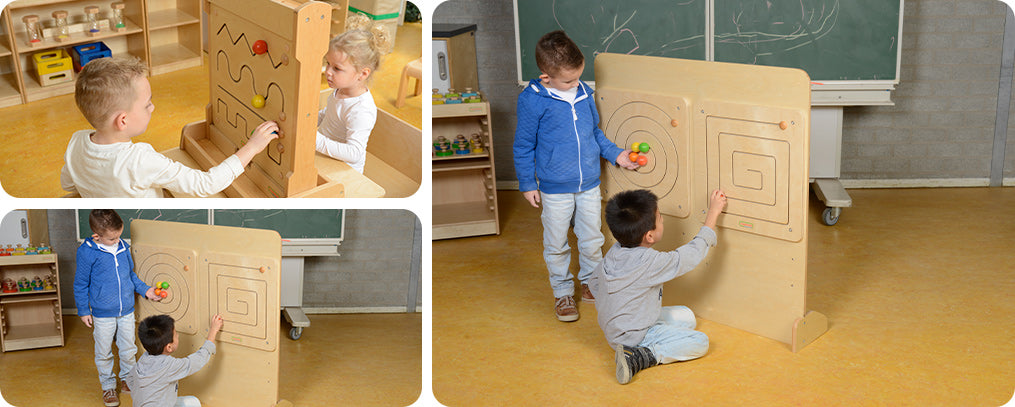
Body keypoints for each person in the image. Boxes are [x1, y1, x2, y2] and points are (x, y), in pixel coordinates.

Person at [513, 30, 639, 322]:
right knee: (557, 242)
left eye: (578, 77)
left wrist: (617, 154)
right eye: (568, 80)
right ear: (545, 76)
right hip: (555, 188)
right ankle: (562, 293)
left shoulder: (583, 93)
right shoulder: (533, 101)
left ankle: (591, 282)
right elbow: (523, 145)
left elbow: (594, 133)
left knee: (592, 237)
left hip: (589, 185)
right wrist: (527, 183)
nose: (575, 84)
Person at [61, 57, 279, 198]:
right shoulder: (140, 159)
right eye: (147, 104)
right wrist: (252, 147)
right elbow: (207, 184)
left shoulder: (76, 141)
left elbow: (69, 184)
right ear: (123, 121)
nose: (152, 107)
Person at [589, 189, 728, 384]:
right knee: (700, 342)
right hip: (634, 335)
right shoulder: (649, 261)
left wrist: (616, 305)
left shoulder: (616, 250)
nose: (663, 221)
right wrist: (713, 214)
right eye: (660, 218)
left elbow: (594, 283)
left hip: (616, 329)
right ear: (649, 236)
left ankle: (631, 342)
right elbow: (688, 256)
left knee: (687, 316)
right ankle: (641, 356)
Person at [74, 209, 163, 406]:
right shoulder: (87, 252)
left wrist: (146, 290)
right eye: (112, 238)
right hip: (102, 314)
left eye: (119, 235)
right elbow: (80, 284)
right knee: (104, 352)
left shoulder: (122, 247)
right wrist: (83, 310)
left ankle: (128, 379)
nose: (118, 240)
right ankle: (108, 387)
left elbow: (130, 275)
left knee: (128, 348)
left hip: (126, 311)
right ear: (96, 236)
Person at [316, 28, 390, 174]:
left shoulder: (361, 110)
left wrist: (315, 140)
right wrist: (307, 122)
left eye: (337, 68)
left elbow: (354, 153)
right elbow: (330, 114)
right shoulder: (341, 90)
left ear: (362, 74)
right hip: (324, 158)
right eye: (328, 63)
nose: (328, 71)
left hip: (344, 171)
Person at [127, 313, 224, 407]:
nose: (178, 336)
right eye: (176, 334)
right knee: (193, 403)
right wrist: (213, 331)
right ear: (169, 347)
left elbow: (130, 380)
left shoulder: (143, 359)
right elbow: (197, 360)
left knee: (192, 402)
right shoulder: (168, 365)